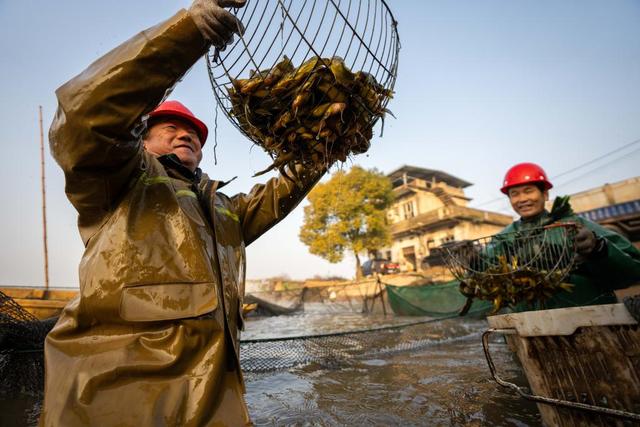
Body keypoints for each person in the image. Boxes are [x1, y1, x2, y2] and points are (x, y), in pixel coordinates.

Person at [41, 1, 327, 425]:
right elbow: (87, 118)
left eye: (193, 134)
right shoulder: (116, 179)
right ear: (140, 139)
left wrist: (322, 147)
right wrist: (186, 33)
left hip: (215, 402)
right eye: (170, 129)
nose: (186, 136)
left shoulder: (223, 209)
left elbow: (280, 191)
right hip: (112, 400)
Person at [498, 162, 640, 310]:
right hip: (530, 325)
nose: (522, 199)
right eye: (514, 194)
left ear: (545, 194)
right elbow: (485, 266)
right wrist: (473, 259)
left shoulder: (575, 224)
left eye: (528, 191)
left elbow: (633, 271)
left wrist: (599, 248)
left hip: (591, 317)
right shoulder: (504, 238)